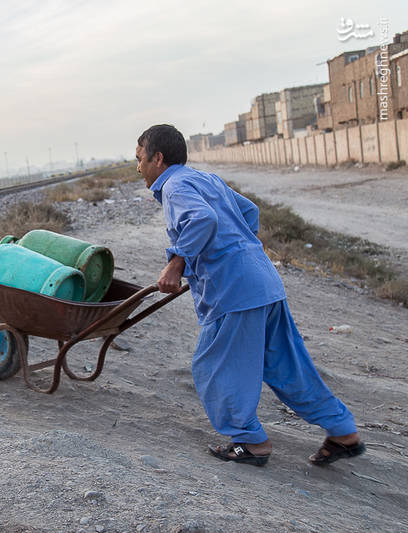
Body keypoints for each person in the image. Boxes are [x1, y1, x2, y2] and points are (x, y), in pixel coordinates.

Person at [135, 124, 365, 466]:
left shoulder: (175, 186)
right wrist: (238, 249)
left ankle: (250, 442)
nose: (137, 167)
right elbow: (249, 211)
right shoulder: (205, 178)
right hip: (264, 283)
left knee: (214, 367)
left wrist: (177, 264)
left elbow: (201, 219)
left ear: (158, 158)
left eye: (139, 159)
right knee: (286, 365)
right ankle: (344, 432)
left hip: (234, 292)